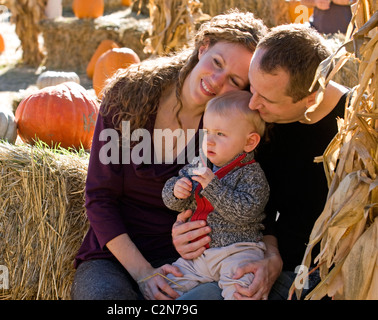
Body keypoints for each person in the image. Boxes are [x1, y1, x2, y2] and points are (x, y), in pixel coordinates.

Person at [70, 10, 268, 300]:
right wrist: (143, 273)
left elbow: (249, 204)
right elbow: (100, 198)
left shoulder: (232, 130)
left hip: (192, 264)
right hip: (114, 258)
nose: (216, 80)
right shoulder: (129, 95)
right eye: (216, 63)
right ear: (203, 47)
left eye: (234, 81)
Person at [172, 23, 351, 300]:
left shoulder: (360, 130)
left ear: (311, 98)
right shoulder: (263, 121)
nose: (252, 104)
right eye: (251, 88)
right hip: (258, 262)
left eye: (265, 98)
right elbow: (256, 205)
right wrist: (186, 228)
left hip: (333, 277)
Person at [161, 90, 269, 300]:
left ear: (249, 142)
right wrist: (176, 190)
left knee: (242, 291)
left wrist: (212, 186)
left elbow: (246, 211)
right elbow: (172, 200)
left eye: (220, 134)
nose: (209, 141)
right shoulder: (201, 163)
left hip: (238, 252)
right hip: (198, 257)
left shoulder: (251, 174)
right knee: (167, 286)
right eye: (207, 131)